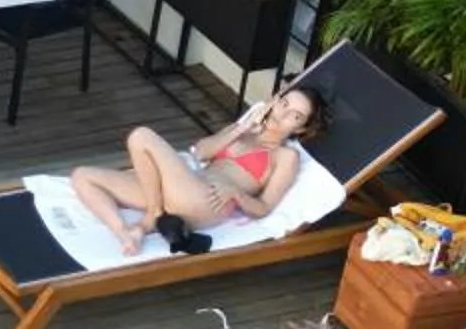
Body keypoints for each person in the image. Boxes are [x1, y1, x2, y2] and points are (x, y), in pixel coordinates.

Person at [68, 82, 328, 259]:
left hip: (207, 201)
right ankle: (126, 232)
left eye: (296, 116)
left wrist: (236, 194)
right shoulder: (245, 129)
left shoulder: (286, 157)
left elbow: (265, 208)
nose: (284, 115)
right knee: (82, 176)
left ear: (301, 128)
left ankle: (153, 216)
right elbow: (201, 152)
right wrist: (239, 129)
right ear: (275, 102)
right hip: (185, 186)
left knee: (142, 136)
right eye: (285, 104)